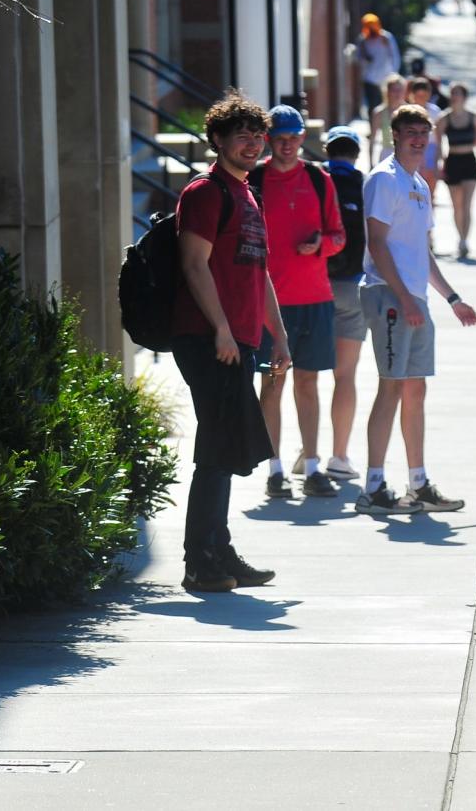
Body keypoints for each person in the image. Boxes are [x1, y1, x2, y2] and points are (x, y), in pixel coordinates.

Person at [172, 89, 286, 592]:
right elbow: (194, 265)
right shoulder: (204, 193)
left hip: (240, 339)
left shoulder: (247, 193)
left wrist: (277, 335)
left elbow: (259, 275)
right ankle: (201, 560)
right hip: (207, 337)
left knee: (226, 445)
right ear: (216, 139)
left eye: (257, 134)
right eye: (241, 134)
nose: (252, 142)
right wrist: (220, 328)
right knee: (217, 447)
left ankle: (218, 550)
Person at [357, 104, 476, 515]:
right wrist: (405, 299)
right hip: (388, 296)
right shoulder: (384, 179)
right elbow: (377, 245)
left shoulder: (420, 184)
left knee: (415, 388)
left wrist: (452, 298)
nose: (416, 140)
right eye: (409, 132)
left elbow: (421, 252)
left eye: (422, 134)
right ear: (395, 136)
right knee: (390, 386)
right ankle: (373, 488)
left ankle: (418, 483)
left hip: (415, 299)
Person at [250, 105, 347, 501]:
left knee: (308, 383)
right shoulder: (254, 180)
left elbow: (339, 236)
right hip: (269, 303)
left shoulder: (319, 179)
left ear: (303, 138)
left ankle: (312, 466)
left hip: (314, 298)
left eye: (294, 137)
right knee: (272, 384)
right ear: (269, 140)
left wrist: (321, 244)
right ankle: (274, 470)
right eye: (281, 138)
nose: (288, 145)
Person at [319, 125, 368, 482]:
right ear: (355, 153)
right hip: (352, 287)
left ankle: (306, 453)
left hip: (312, 288)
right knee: (345, 376)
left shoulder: (315, 180)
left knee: (304, 376)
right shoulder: (365, 185)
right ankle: (339, 455)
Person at [434, 83, 476, 259]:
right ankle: (459, 236)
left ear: (464, 97)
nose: (454, 96)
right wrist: (438, 164)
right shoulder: (443, 119)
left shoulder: (474, 117)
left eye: (458, 93)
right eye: (452, 93)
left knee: (467, 205)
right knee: (457, 205)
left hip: (470, 161)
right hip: (452, 161)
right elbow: (438, 145)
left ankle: (464, 241)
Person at [357, 13, 401, 120]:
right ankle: (373, 126)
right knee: (372, 106)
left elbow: (395, 55)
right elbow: (359, 57)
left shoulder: (385, 38)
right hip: (370, 78)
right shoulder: (363, 40)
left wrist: (394, 73)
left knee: (387, 106)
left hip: (385, 78)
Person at [408, 76, 442, 197]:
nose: (421, 99)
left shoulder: (435, 112)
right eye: (418, 96)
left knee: (429, 190)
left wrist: (439, 158)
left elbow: (439, 138)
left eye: (424, 95)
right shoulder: (407, 112)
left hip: (430, 151)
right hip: (411, 150)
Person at [369, 74, 407, 170]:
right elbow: (372, 139)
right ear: (387, 92)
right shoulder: (379, 113)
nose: (397, 93)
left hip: (406, 155)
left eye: (400, 90)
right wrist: (370, 163)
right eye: (394, 90)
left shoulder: (409, 111)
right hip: (386, 155)